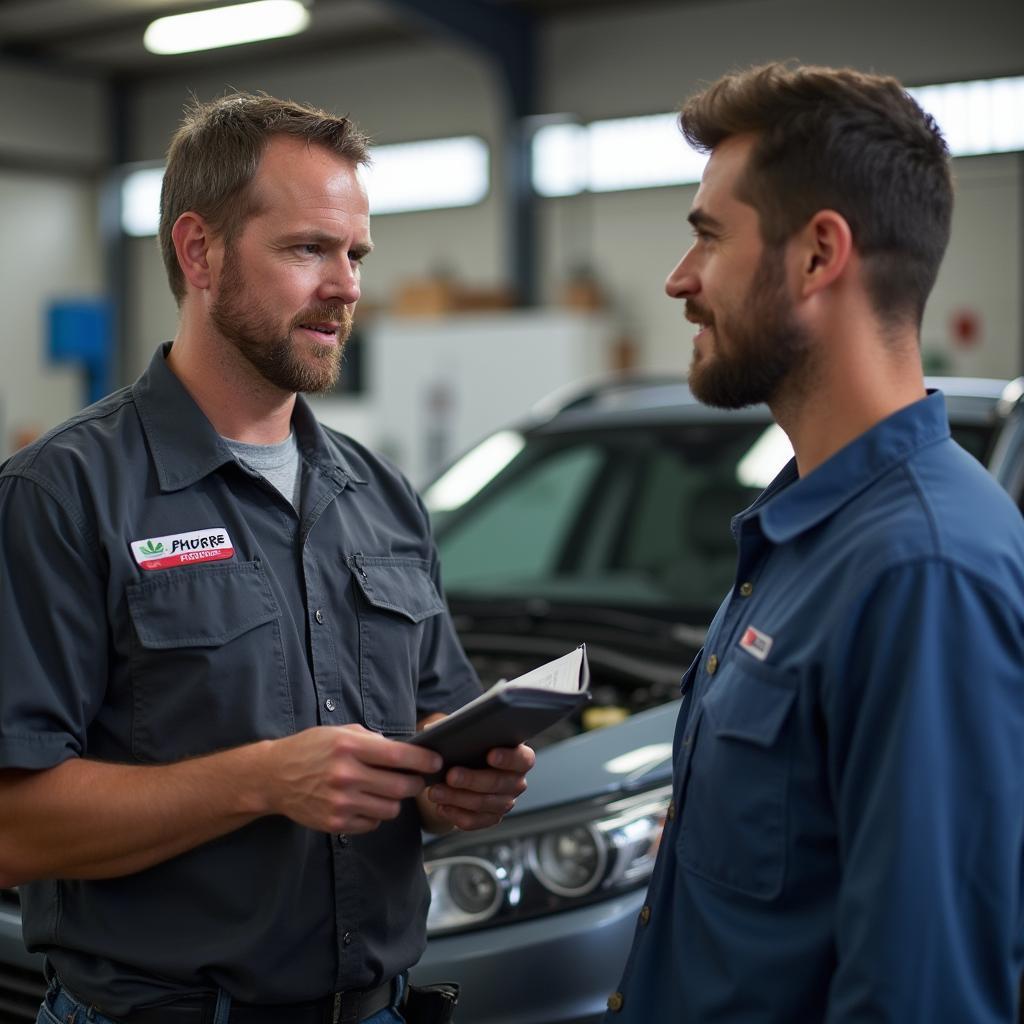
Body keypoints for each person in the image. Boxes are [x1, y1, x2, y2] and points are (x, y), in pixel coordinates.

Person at [0, 92, 535, 1024]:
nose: (347, 286)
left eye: (356, 254)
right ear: (198, 251)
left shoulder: (383, 497)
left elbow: (430, 719)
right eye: (306, 250)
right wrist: (260, 779)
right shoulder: (61, 495)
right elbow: (11, 829)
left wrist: (459, 787)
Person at [605, 62, 1024, 1023]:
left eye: (708, 237)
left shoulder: (924, 571)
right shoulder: (803, 534)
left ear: (816, 255)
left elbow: (922, 996)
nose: (679, 280)